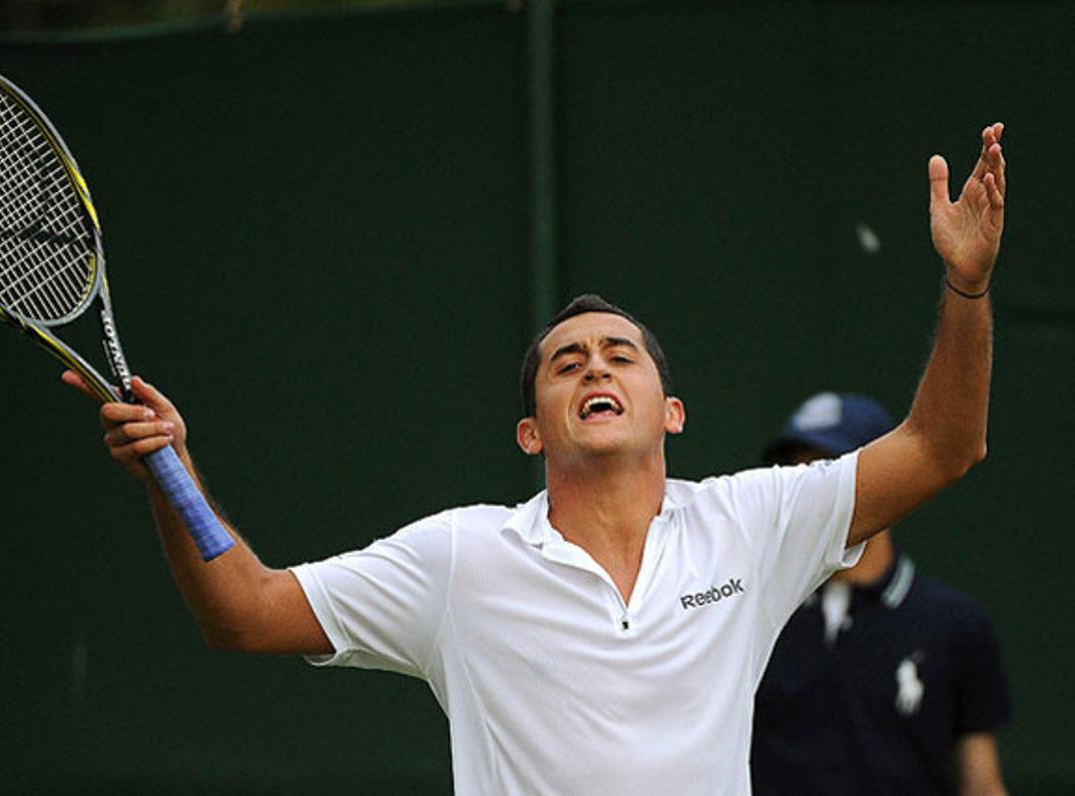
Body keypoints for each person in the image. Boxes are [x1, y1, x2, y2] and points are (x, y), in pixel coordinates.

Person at [63, 124, 1006, 794]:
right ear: (532, 432)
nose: (595, 364)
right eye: (567, 363)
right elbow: (245, 611)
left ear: (669, 412)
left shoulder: (750, 525)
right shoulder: (460, 561)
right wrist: (170, 473)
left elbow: (942, 445)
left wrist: (966, 286)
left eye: (619, 355)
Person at [751, 392, 1011, 796]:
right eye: (796, 475)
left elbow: (981, 783)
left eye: (829, 473)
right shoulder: (745, 612)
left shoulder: (956, 624)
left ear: (893, 481)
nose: (813, 495)